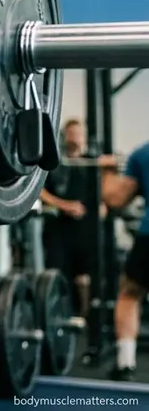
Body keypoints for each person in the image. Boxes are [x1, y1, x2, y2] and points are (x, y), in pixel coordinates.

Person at [101, 141, 149, 381]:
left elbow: (115, 199)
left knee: (130, 294)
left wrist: (108, 171)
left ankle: (125, 363)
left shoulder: (143, 153)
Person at [39, 119, 97, 316]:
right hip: (59, 228)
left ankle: (86, 317)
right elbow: (40, 191)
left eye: (79, 134)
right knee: (57, 273)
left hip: (86, 229)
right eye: (72, 134)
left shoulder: (93, 162)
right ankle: (58, 314)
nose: (76, 138)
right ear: (65, 136)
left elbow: (106, 191)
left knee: (85, 276)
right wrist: (65, 206)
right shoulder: (55, 162)